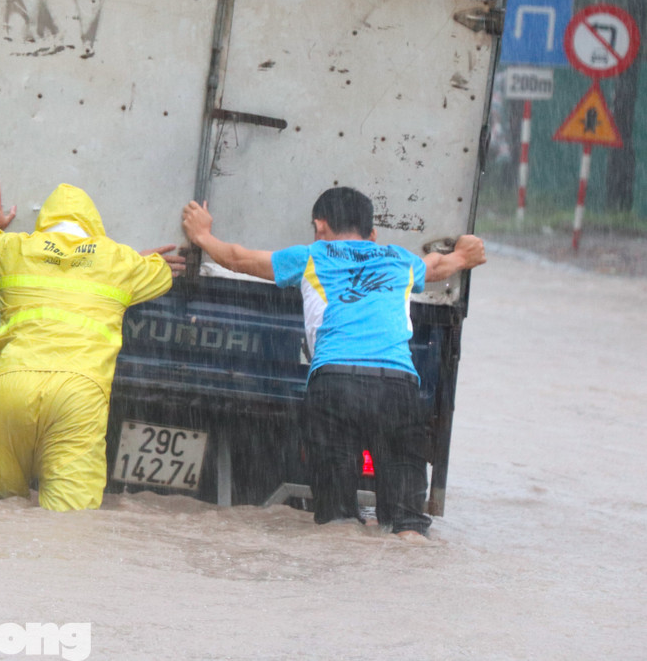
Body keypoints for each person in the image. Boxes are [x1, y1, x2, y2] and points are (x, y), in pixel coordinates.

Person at [181, 187, 487, 539]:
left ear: (320, 225)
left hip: (335, 384)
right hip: (398, 386)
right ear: (372, 234)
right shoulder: (399, 260)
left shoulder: (311, 256)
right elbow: (438, 265)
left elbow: (238, 258)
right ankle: (410, 554)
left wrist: (202, 235)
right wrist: (464, 253)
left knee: (337, 522)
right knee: (408, 523)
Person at [0, 176, 186, 511]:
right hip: (77, 396)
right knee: (69, 523)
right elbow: (165, 273)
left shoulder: (12, 250)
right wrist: (141, 261)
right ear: (93, 224)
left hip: (10, 389)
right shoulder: (119, 261)